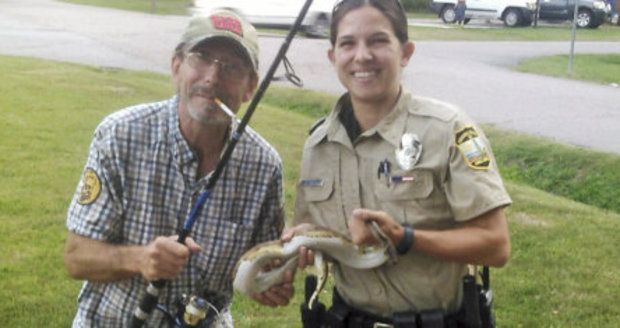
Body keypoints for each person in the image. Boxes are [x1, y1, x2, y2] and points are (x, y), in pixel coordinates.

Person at [257, 0, 512, 326]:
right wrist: (310, 240)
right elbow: (327, 238)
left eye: (377, 41)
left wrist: (405, 237)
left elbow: (496, 246)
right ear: (333, 57)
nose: (362, 55)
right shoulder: (318, 144)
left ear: (405, 52)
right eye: (348, 43)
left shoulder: (448, 129)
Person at [63, 10, 285, 327]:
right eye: (202, 58)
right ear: (177, 66)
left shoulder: (265, 165)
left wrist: (270, 280)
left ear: (250, 87)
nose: (212, 77)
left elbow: (260, 265)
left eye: (232, 67)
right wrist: (141, 258)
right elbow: (76, 257)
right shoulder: (120, 134)